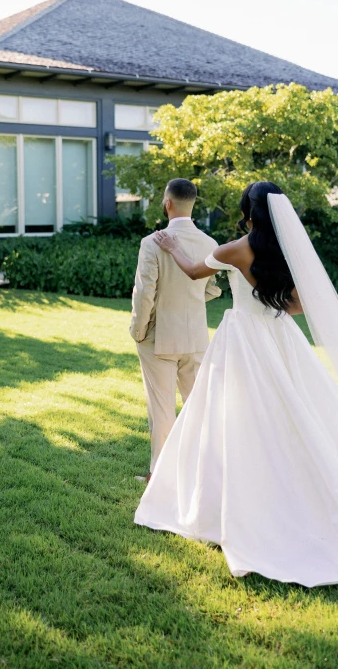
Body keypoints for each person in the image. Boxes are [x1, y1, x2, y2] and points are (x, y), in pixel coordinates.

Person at [135, 180, 338, 605]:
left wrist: (172, 248)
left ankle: (230, 504)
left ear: (248, 211)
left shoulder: (236, 248)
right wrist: (269, 302)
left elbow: (195, 272)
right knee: (292, 415)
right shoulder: (285, 249)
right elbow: (300, 304)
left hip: (243, 340)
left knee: (231, 420)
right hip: (278, 335)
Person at [130, 178, 221, 483]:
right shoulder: (210, 244)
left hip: (158, 336)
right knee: (197, 406)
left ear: (167, 203)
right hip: (196, 336)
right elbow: (211, 288)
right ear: (193, 204)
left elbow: (145, 293)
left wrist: (138, 330)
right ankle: (204, 469)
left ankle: (160, 476)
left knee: (162, 408)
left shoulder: (151, 242)